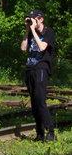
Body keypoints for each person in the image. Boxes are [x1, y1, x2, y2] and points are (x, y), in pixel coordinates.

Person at [22, 10, 56, 141]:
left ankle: (50, 131)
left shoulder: (49, 32)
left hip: (41, 68)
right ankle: (40, 133)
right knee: (34, 102)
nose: (31, 21)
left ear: (40, 19)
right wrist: (27, 31)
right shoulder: (30, 33)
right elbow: (23, 48)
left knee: (40, 100)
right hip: (30, 69)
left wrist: (33, 31)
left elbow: (42, 47)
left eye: (33, 19)